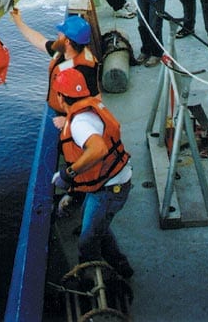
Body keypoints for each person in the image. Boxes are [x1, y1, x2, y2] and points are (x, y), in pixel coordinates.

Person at [51, 68, 133, 278]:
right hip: (110, 181)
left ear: (60, 97)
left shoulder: (79, 123)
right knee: (98, 228)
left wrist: (68, 174)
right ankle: (121, 266)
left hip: (110, 188)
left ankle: (95, 284)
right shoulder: (90, 109)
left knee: (87, 241)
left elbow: (98, 149)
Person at [9, 9, 100, 115]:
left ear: (67, 42)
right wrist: (18, 22)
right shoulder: (62, 51)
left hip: (71, 117)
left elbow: (96, 100)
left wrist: (67, 119)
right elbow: (39, 41)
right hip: (60, 109)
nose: (58, 34)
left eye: (61, 34)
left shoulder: (86, 69)